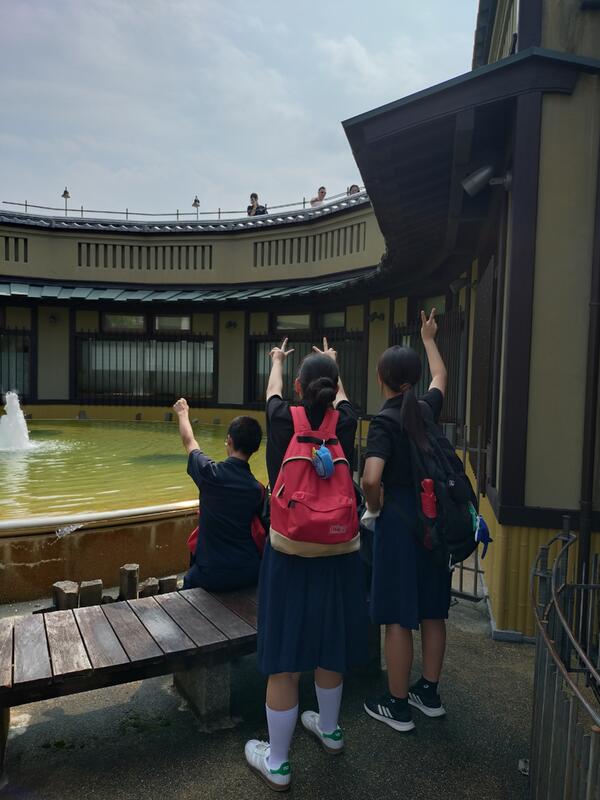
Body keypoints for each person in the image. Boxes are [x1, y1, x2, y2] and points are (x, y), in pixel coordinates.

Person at [244, 338, 369, 792]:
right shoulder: (347, 423)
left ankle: (278, 762)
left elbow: (272, 393)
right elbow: (343, 400)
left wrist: (277, 360)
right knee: (331, 641)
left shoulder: (282, 419)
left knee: (284, 659)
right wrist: (333, 364)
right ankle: (330, 730)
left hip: (289, 555)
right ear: (333, 387)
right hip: (339, 554)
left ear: (299, 387)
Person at [361, 308, 450, 732]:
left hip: (399, 528)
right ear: (411, 380)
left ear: (382, 378)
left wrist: (374, 505)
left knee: (398, 616)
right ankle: (428, 693)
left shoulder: (385, 420)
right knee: (432, 610)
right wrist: (428, 339)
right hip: (434, 524)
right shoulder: (425, 410)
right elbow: (441, 377)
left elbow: (370, 477)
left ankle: (397, 706)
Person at [173, 398, 264, 592]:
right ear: (256, 449)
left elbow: (189, 442)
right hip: (249, 571)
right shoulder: (257, 490)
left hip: (211, 573)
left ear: (229, 440)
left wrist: (182, 413)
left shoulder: (209, 474)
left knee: (187, 585)